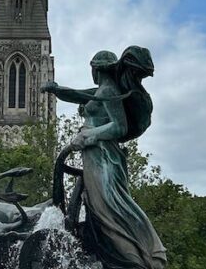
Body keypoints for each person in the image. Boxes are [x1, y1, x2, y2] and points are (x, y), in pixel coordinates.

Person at [41, 47, 166, 269]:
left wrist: (90, 135)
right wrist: (57, 89)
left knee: (113, 208)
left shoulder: (108, 91)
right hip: (96, 156)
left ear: (96, 69)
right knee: (103, 210)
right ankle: (123, 256)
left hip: (104, 157)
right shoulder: (103, 90)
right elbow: (79, 94)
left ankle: (147, 255)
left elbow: (120, 126)